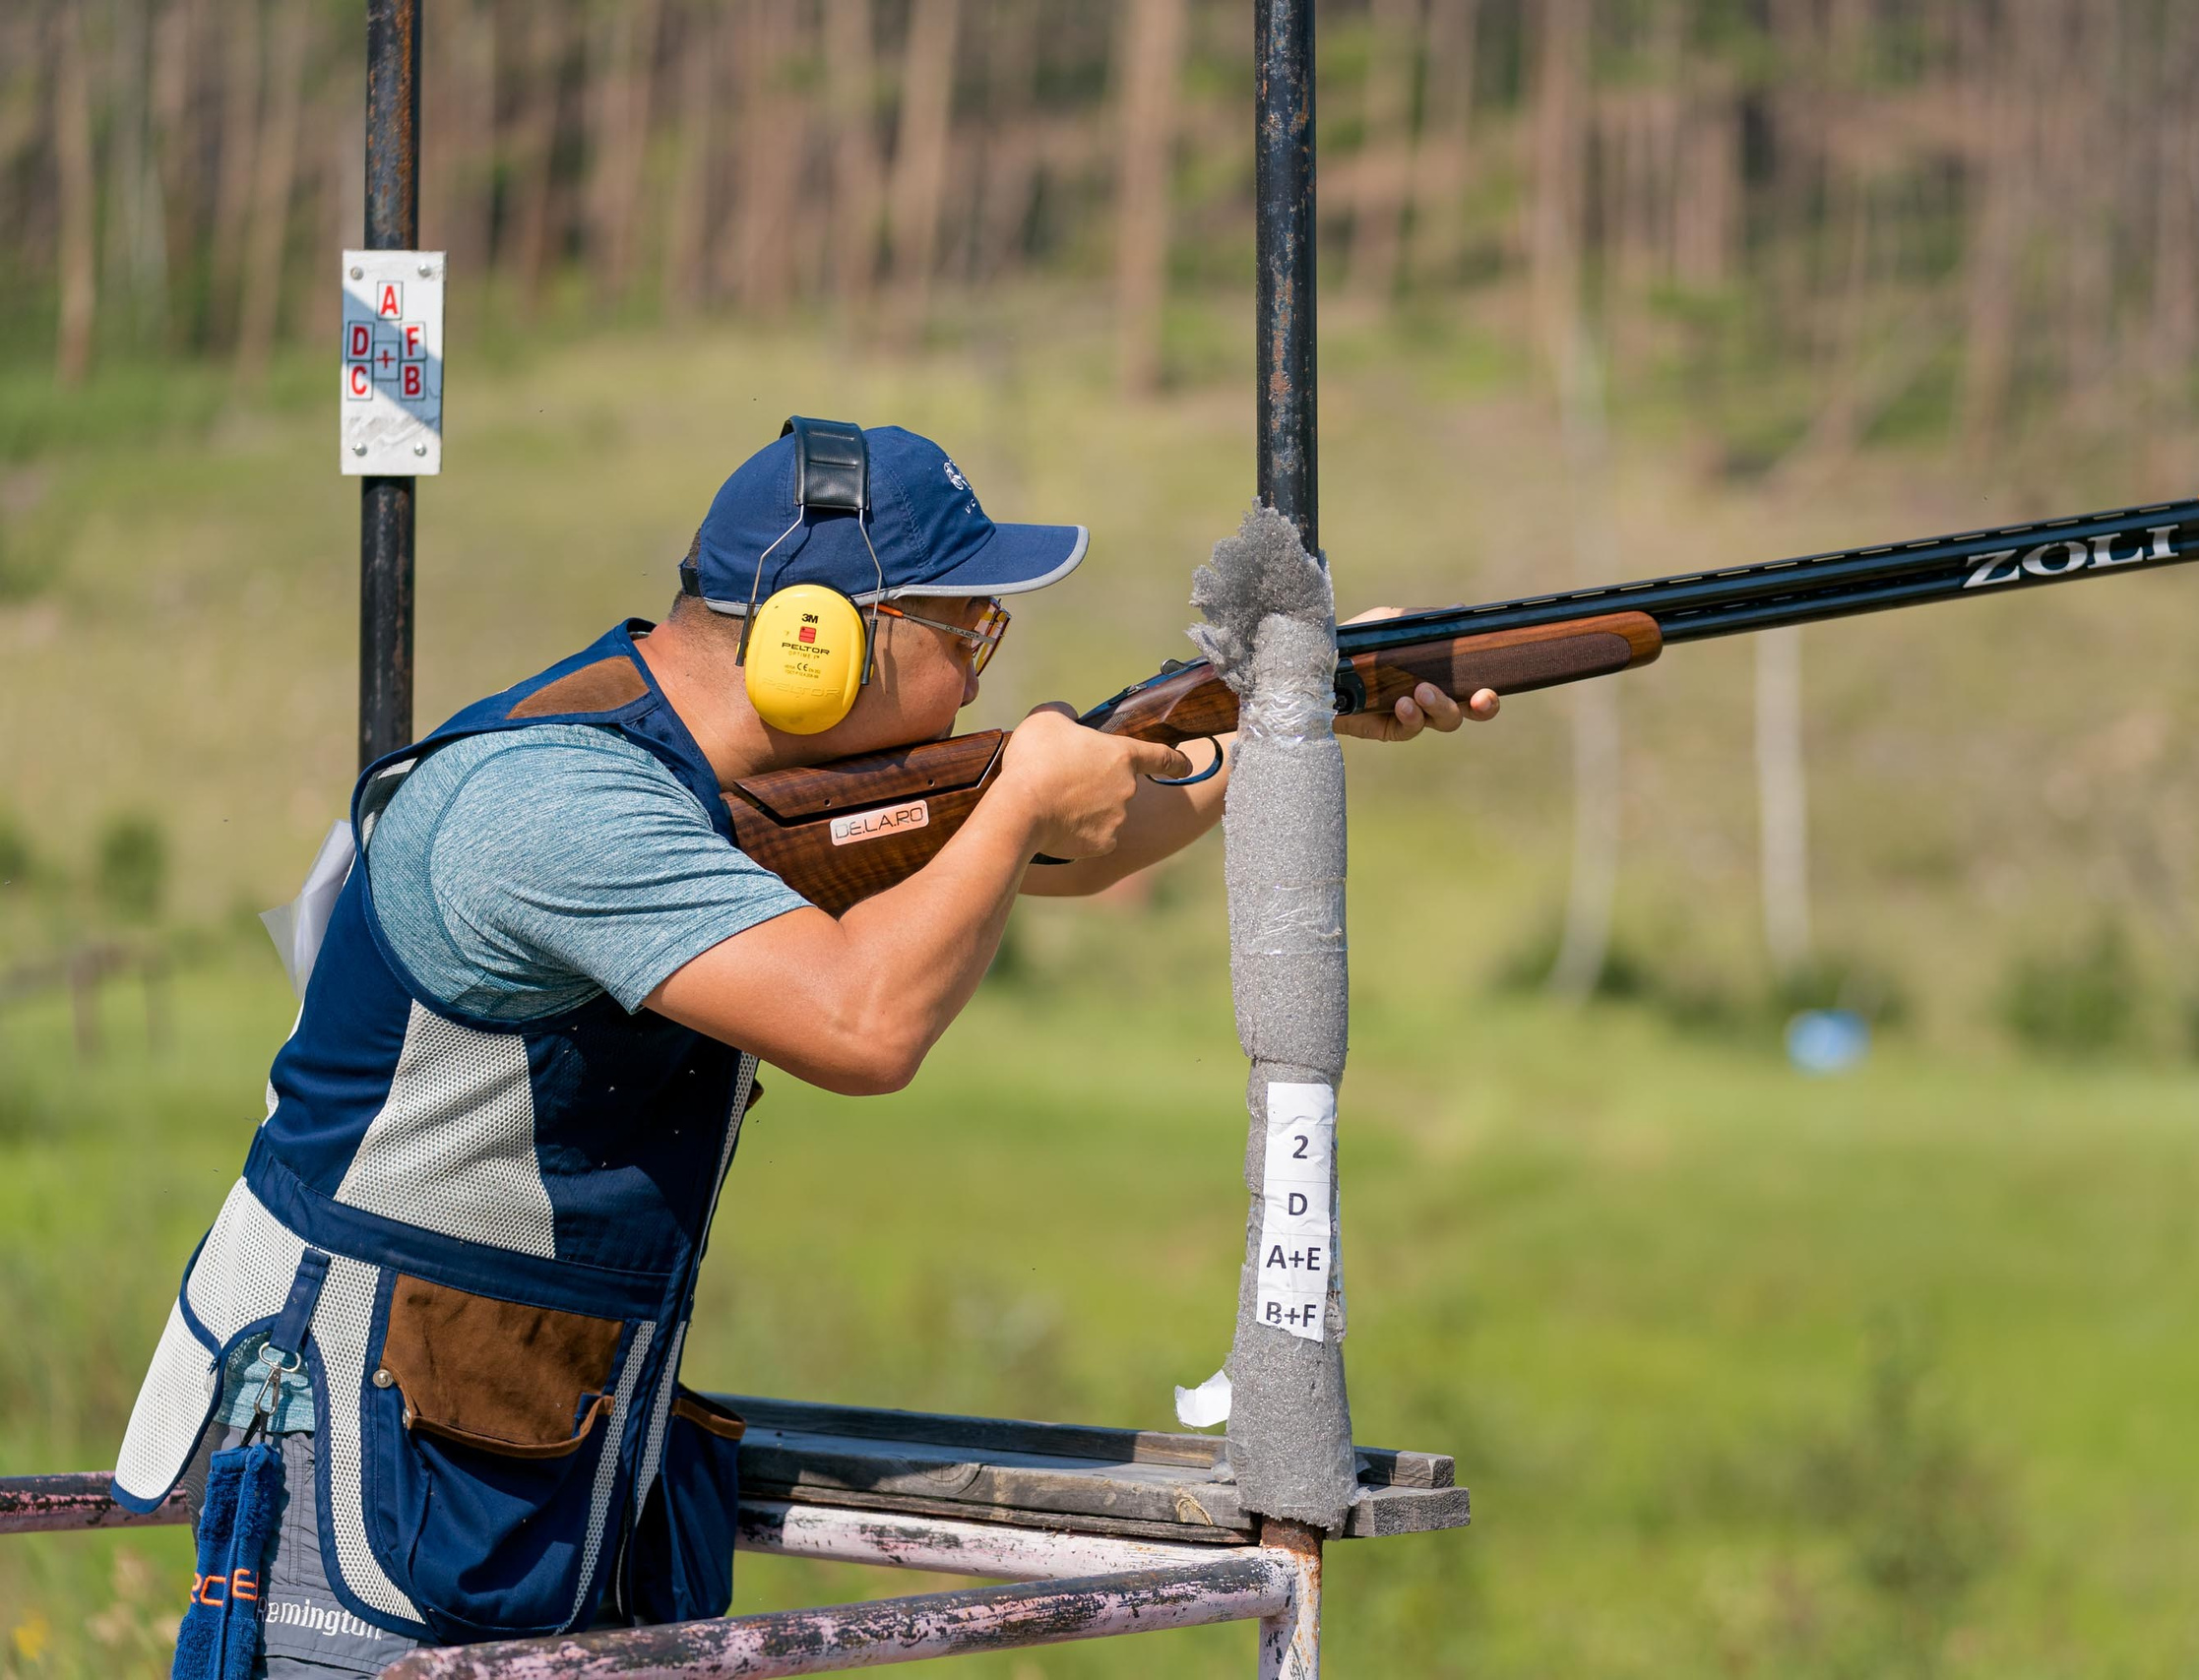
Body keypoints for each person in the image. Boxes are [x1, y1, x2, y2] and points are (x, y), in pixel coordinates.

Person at [109, 420, 1498, 1675]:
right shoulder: (555, 807)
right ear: (814, 638)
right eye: (969, 629)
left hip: (500, 1473)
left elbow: (1061, 843)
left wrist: (1289, 712)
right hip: (349, 1488)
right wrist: (1019, 800)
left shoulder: (709, 789)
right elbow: (864, 1022)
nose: (979, 673)